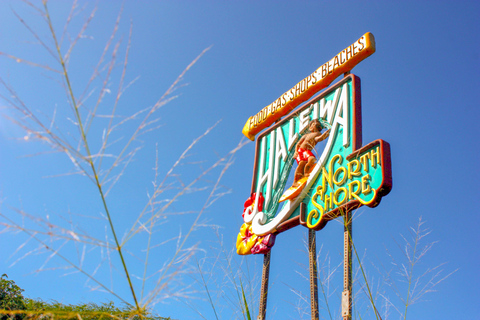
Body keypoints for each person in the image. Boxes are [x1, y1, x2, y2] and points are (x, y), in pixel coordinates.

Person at [292, 119, 330, 187]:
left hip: (307, 151)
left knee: (312, 159)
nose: (313, 125)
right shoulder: (306, 135)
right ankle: (295, 182)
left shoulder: (317, 134)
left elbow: (318, 139)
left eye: (315, 124)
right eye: (312, 124)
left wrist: (325, 135)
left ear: (319, 127)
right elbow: (298, 144)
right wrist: (295, 151)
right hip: (300, 150)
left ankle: (306, 172)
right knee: (301, 163)